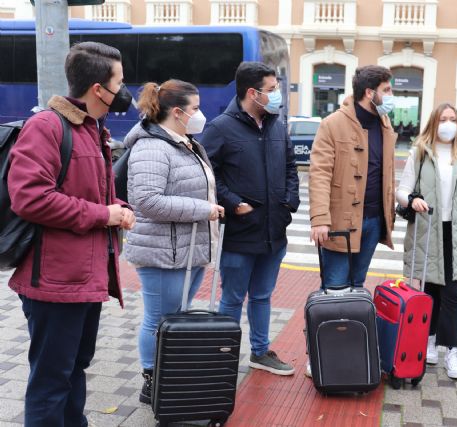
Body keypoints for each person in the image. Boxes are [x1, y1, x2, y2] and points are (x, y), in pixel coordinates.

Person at [7, 42, 135, 426]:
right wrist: (103, 215)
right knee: (51, 379)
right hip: (55, 280)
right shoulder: (46, 126)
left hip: (85, 277)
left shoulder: (93, 128)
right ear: (99, 88)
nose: (124, 90)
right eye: (119, 81)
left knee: (75, 368)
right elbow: (29, 198)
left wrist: (118, 209)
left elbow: (93, 191)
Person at [123, 79, 225, 404]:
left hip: (186, 249)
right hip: (162, 252)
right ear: (178, 112)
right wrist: (203, 209)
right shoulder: (152, 146)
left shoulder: (183, 141)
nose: (200, 114)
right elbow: (147, 200)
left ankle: (167, 376)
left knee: (175, 317)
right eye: (195, 108)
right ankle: (151, 380)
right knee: (159, 318)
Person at [201, 62, 299, 376]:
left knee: (261, 295)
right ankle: (221, 355)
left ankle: (260, 351)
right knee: (232, 298)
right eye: (271, 90)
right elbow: (207, 174)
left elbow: (290, 168)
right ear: (252, 93)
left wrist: (290, 203)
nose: (277, 95)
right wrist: (232, 203)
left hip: (273, 231)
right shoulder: (220, 127)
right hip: (240, 233)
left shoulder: (276, 124)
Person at [307, 65, 397, 377]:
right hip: (339, 222)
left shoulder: (384, 123)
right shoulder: (333, 124)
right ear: (369, 93)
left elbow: (386, 173)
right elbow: (318, 173)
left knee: (357, 288)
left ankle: (350, 353)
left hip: (372, 221)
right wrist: (319, 218)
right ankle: (320, 354)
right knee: (334, 289)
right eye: (387, 90)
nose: (391, 96)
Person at [396, 103, 457, 380]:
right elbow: (402, 191)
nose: (449, 124)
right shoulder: (420, 153)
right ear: (434, 122)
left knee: (454, 295)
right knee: (431, 292)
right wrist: (413, 200)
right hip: (429, 229)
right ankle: (430, 340)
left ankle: (453, 351)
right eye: (444, 119)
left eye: (453, 119)